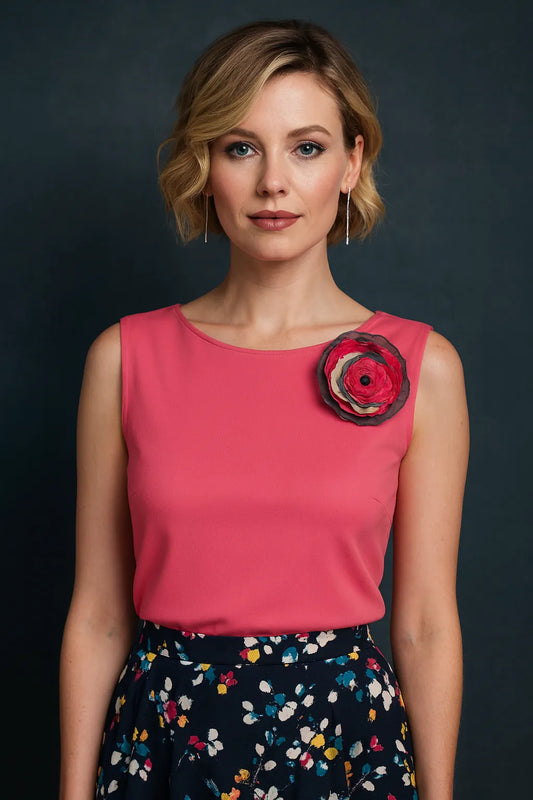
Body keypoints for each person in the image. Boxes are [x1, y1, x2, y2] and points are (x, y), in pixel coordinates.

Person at [59, 19, 469, 800]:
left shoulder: (425, 365)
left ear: (351, 163)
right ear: (204, 164)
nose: (272, 182)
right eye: (240, 147)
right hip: (166, 744)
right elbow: (100, 616)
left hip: (343, 746)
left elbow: (422, 622)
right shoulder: (124, 358)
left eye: (306, 148)